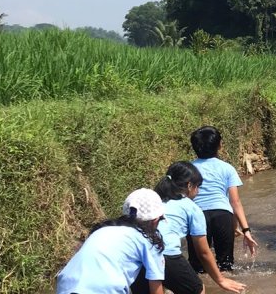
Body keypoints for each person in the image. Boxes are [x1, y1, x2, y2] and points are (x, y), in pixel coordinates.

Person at [149, 161, 246, 294]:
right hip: (165, 253)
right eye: (198, 187)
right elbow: (203, 252)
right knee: (198, 289)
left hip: (140, 252)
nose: (198, 191)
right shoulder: (191, 207)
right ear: (189, 186)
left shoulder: (154, 201)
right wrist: (221, 280)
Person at [56, 188, 166, 294]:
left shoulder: (102, 230)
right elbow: (156, 287)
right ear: (155, 220)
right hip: (105, 288)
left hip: (66, 285)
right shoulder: (148, 240)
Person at [187, 126, 258, 274]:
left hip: (196, 216)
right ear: (219, 145)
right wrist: (246, 230)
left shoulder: (188, 169)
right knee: (225, 264)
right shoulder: (227, 168)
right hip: (222, 215)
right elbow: (235, 202)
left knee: (198, 266)